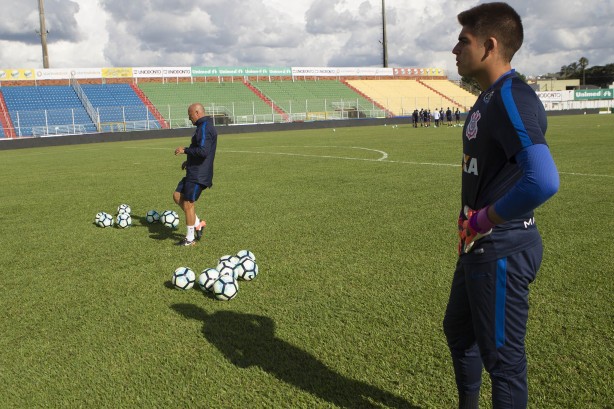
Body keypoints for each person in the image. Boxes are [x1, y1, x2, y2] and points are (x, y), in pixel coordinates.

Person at [443, 3, 560, 409]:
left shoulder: (512, 96)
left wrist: (483, 218)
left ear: (490, 45)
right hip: (479, 247)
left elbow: (543, 179)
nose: (454, 50)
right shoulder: (488, 98)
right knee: (459, 331)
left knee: (504, 365)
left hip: (501, 248)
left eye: (463, 41)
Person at [173, 103, 217, 246]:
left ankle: (190, 239)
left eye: (190, 115)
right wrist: (188, 161)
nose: (189, 118)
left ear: (197, 113)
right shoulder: (201, 127)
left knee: (188, 203)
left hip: (199, 174)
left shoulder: (205, 127)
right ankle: (198, 223)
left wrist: (185, 150)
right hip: (193, 170)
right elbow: (199, 149)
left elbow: (203, 151)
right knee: (177, 195)